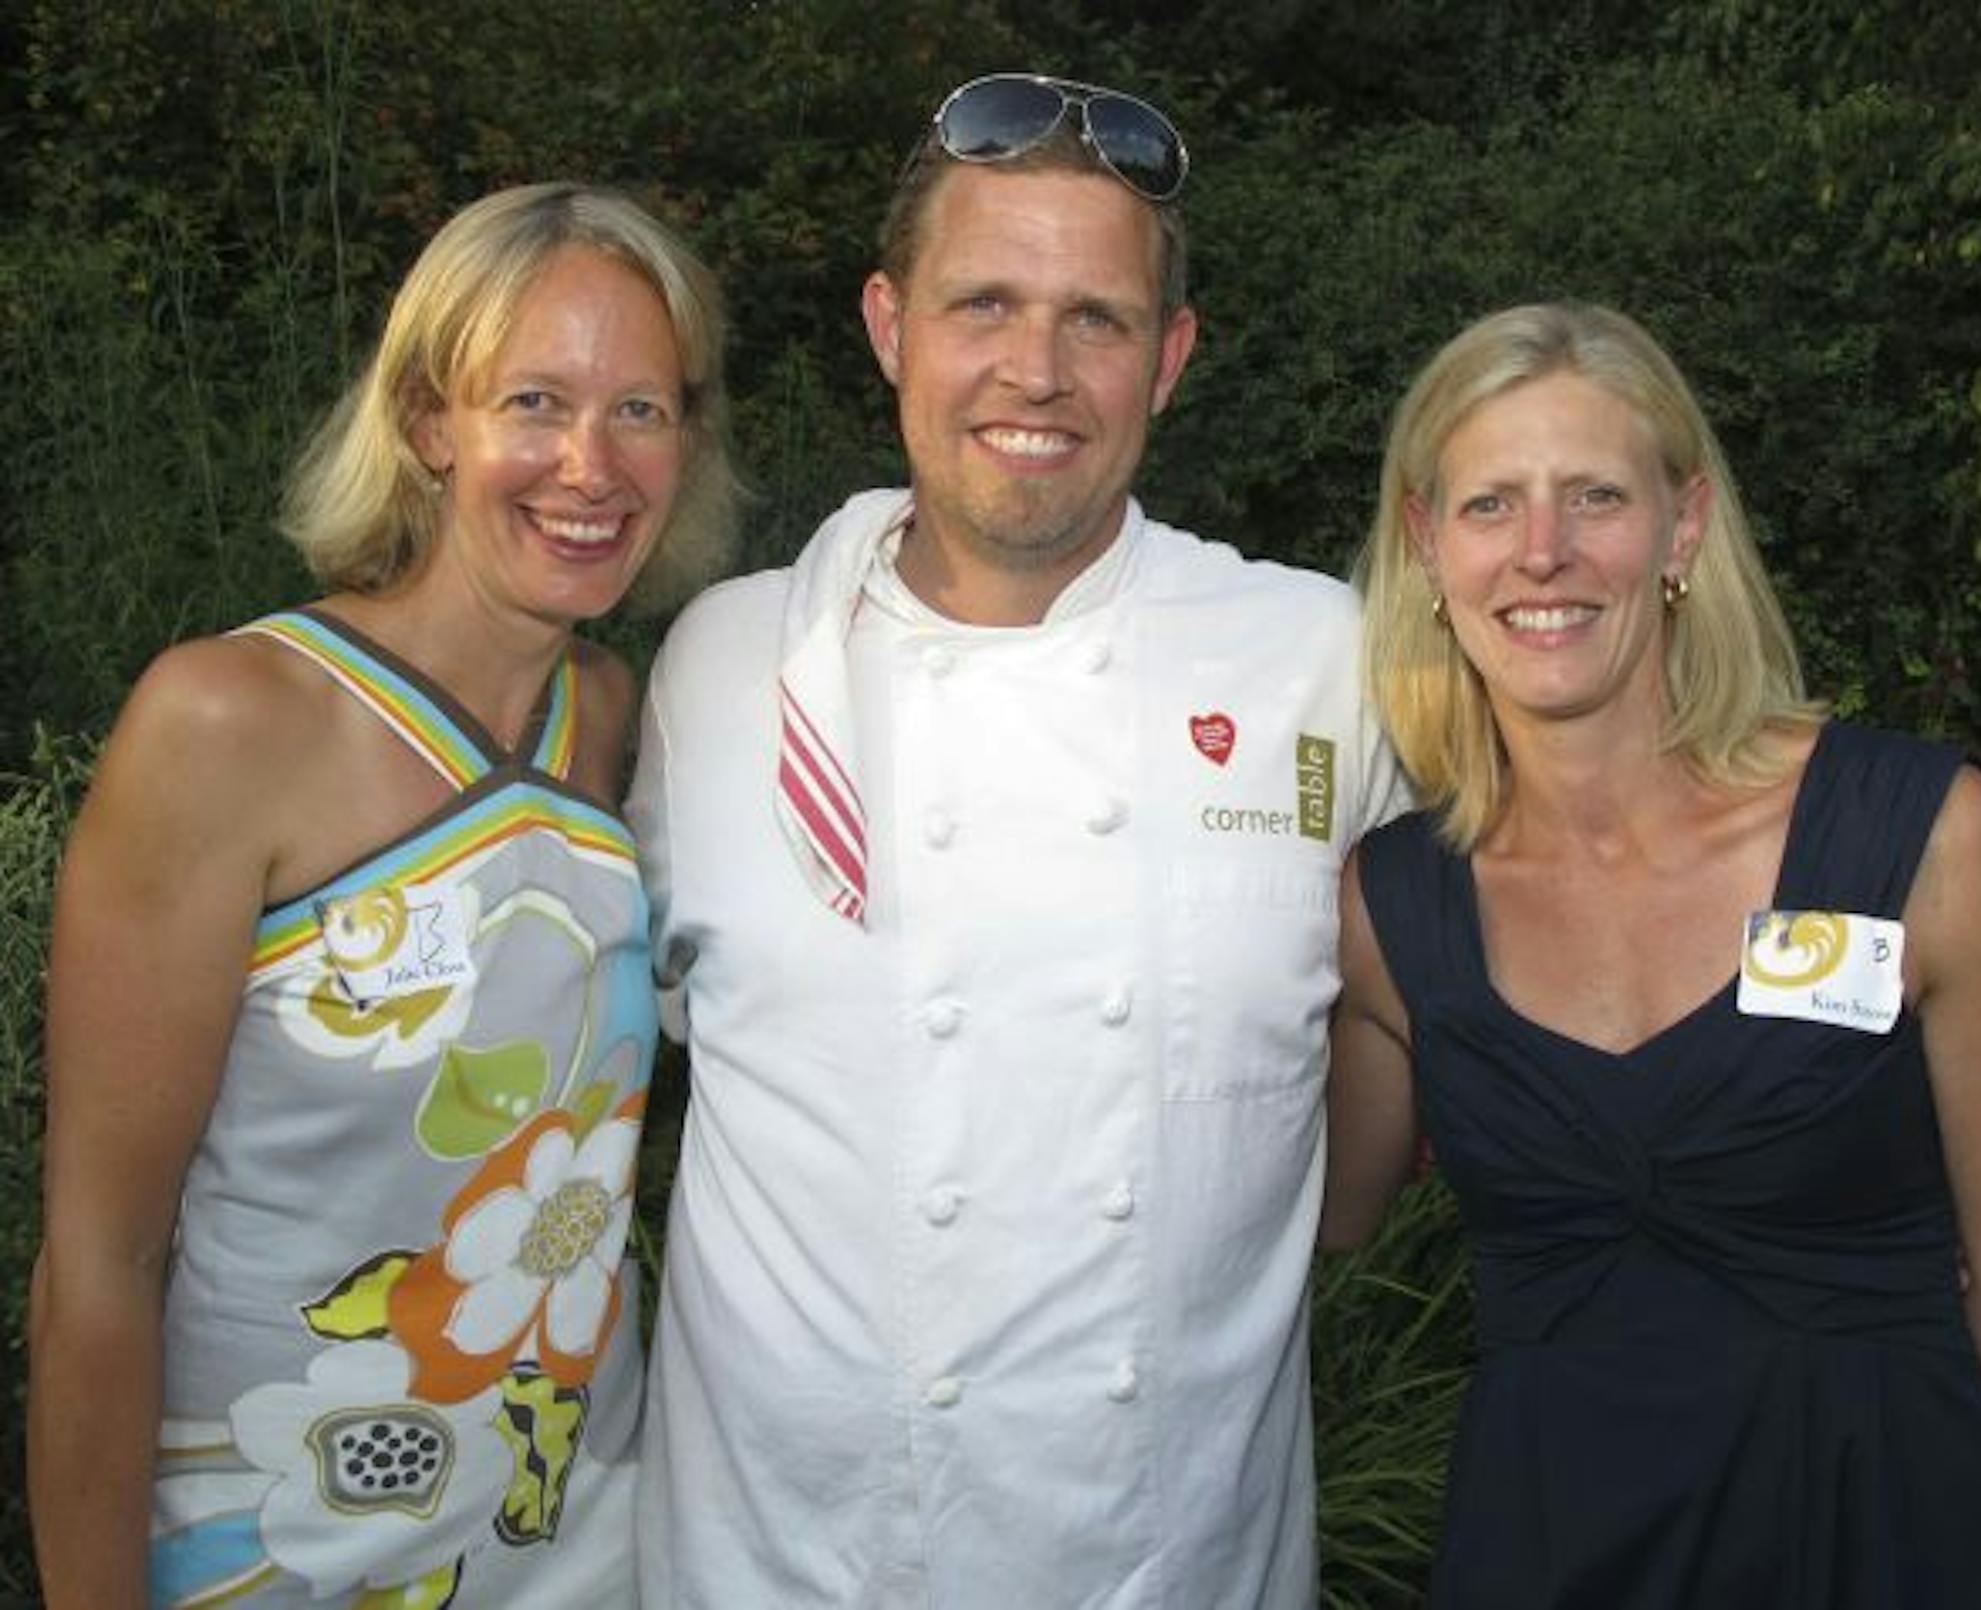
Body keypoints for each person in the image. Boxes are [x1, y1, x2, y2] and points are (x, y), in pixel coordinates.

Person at [628, 73, 1403, 1607]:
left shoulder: (1326, 660)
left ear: (1169, 361)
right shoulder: (723, 667)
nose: (1035, 371)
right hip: (776, 1570)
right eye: (983, 301)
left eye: (1097, 318)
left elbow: (1448, 984)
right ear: (888, 326)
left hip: (1178, 1568)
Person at [1324, 300, 1981, 1607]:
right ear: (1429, 546)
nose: (1543, 552)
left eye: (1595, 494)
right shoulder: (1391, 912)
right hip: (1555, 1555)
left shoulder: (1917, 838)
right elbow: (1294, 1220)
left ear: (1684, 525)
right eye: (1491, 505)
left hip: (1898, 1542)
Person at [28, 181, 736, 1609]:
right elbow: (99, 1259)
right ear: (430, 421)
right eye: (534, 399)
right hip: (277, 1542)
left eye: (641, 410)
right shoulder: (228, 721)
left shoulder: (612, 716)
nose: (590, 465)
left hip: (579, 1537)